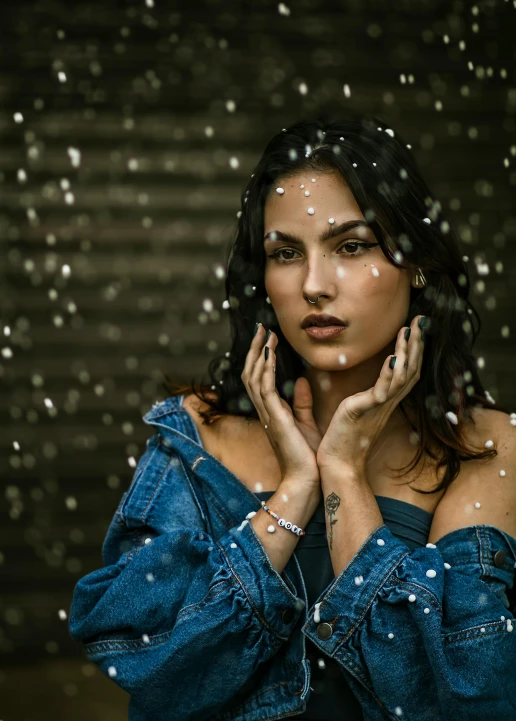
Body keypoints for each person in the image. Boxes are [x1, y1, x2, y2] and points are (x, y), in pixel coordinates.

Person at [69, 112, 516, 720]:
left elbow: (463, 698)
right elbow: (146, 662)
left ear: (418, 263)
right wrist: (296, 491)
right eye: (286, 253)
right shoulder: (198, 437)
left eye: (351, 246)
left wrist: (344, 473)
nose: (314, 284)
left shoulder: (486, 447)